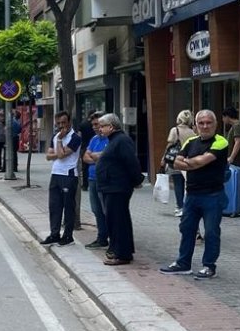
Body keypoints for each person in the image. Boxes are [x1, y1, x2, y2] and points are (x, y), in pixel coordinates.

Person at [159, 109, 229, 279]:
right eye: (201, 123)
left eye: (209, 122)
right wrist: (187, 163)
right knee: (186, 229)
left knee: (211, 232)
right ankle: (184, 264)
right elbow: (171, 161)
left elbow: (198, 162)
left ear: (215, 124)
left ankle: (209, 266)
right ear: (195, 125)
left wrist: (185, 162)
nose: (205, 126)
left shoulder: (221, 142)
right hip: (191, 195)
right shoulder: (190, 141)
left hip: (213, 196)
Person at [95, 113, 144, 266]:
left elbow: (131, 162)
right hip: (111, 186)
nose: (100, 129)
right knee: (115, 220)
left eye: (102, 126)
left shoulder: (121, 141)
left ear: (111, 127)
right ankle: (120, 250)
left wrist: (137, 180)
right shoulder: (113, 141)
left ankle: (122, 254)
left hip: (117, 187)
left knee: (118, 221)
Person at [40, 111, 82, 246]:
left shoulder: (75, 137)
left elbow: (62, 155)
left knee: (68, 206)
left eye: (64, 122)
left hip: (68, 175)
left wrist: (59, 144)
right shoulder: (55, 135)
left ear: (69, 122)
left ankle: (68, 235)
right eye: (58, 123)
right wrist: (58, 151)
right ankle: (54, 234)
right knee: (54, 206)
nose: (61, 126)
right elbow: (48, 156)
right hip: (56, 174)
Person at [159, 110, 194, 217]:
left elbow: (169, 145)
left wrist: (163, 158)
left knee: (178, 184)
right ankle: (187, 206)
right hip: (188, 160)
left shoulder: (175, 130)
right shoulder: (192, 132)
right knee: (186, 185)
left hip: (175, 160)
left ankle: (180, 207)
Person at [81, 112, 108, 250]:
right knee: (96, 209)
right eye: (93, 125)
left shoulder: (110, 140)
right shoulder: (94, 140)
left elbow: (106, 159)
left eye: (97, 124)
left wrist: (96, 158)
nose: (95, 127)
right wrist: (96, 158)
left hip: (105, 180)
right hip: (92, 179)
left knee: (106, 210)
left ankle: (108, 236)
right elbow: (85, 157)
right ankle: (102, 236)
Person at [78, 112, 97, 191]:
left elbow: (79, 135)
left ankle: (85, 185)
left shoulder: (82, 124)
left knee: (84, 167)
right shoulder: (94, 137)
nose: (94, 127)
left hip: (84, 146)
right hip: (92, 146)